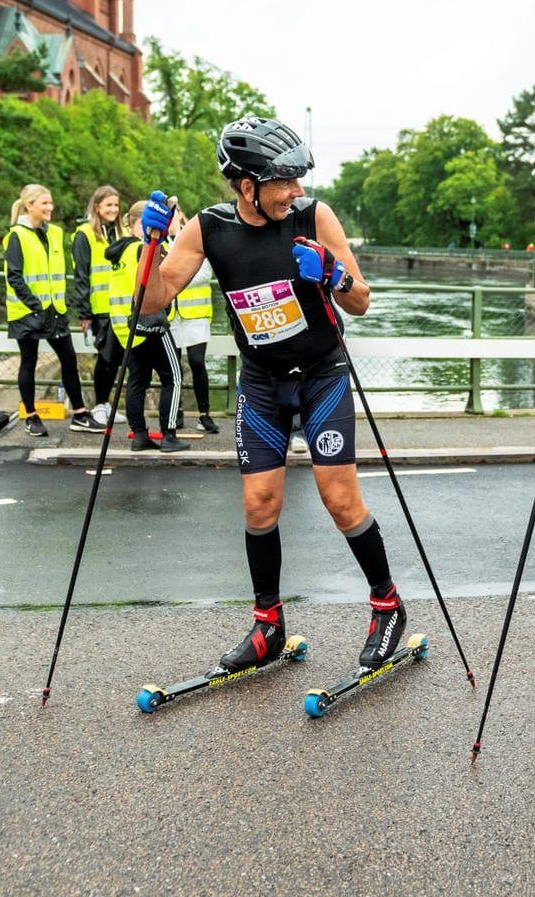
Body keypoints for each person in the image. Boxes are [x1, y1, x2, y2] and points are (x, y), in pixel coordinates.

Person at [138, 116, 406, 674]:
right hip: (261, 383)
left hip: (321, 374)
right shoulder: (210, 229)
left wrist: (332, 273)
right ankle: (268, 624)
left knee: (340, 499)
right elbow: (151, 305)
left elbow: (362, 302)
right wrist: (151, 247)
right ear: (246, 185)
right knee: (260, 504)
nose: (296, 190)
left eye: (298, 179)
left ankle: (387, 604)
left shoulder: (313, 217)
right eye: (284, 181)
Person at [2, 183, 96, 437]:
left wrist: (59, 304)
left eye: (51, 203)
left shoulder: (55, 233)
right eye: (44, 203)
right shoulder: (16, 236)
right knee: (29, 362)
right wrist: (35, 306)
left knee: (68, 359)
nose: (50, 207)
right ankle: (31, 416)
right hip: (28, 312)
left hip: (55, 310)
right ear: (29, 205)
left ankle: (79, 413)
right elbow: (14, 276)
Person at [105, 201, 191, 453]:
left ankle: (139, 435)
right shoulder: (148, 249)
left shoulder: (119, 253)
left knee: (137, 381)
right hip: (152, 323)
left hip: (126, 329)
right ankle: (169, 434)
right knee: (173, 378)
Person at [70, 185, 127, 427]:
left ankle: (107, 404)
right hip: (99, 308)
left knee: (116, 358)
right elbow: (81, 275)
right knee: (104, 358)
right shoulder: (85, 235)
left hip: (120, 307)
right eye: (108, 205)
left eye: (116, 205)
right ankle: (100, 404)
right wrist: (84, 312)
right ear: (97, 207)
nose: (113, 209)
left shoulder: (120, 232)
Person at [167, 209, 222, 434]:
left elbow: (203, 275)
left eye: (175, 217)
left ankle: (204, 414)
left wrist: (173, 277)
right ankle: (176, 411)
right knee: (173, 367)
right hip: (172, 316)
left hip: (196, 315)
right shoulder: (159, 244)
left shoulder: (194, 240)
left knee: (197, 362)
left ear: (181, 219)